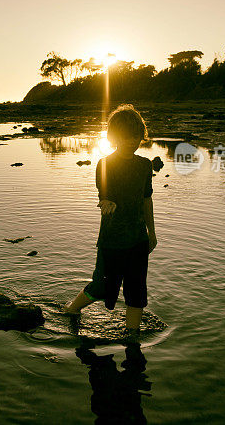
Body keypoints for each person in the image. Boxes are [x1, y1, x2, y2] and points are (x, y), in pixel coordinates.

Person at [64, 104, 157, 341]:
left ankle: (132, 337)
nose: (131, 141)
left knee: (137, 291)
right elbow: (103, 193)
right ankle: (71, 310)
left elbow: (147, 199)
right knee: (102, 286)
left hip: (138, 238)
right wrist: (107, 202)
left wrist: (152, 232)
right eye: (126, 136)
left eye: (136, 135)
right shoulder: (105, 164)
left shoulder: (145, 166)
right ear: (115, 137)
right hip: (112, 238)